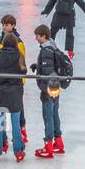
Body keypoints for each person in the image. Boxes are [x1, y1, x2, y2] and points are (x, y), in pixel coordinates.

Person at [30, 24, 72, 158]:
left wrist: (44, 90)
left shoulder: (46, 50)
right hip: (56, 87)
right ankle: (58, 142)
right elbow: (51, 66)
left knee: (47, 116)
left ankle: (48, 145)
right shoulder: (53, 47)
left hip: (49, 88)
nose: (36, 38)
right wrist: (37, 66)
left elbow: (48, 71)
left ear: (43, 36)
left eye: (37, 36)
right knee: (54, 114)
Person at [0, 32, 27, 162]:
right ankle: (18, 151)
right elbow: (23, 71)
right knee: (16, 124)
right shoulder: (19, 55)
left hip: (2, 94)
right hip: (15, 94)